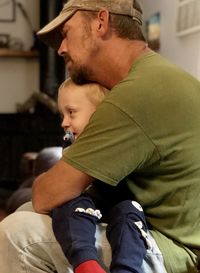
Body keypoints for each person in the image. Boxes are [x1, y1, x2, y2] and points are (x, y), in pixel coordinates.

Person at [0, 0, 200, 272]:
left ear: (100, 23)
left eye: (67, 33)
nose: (61, 48)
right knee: (28, 214)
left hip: (173, 249)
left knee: (18, 233)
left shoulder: (135, 94)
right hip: (156, 230)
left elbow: (47, 195)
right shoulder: (159, 76)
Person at [52, 78, 149, 273]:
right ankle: (86, 264)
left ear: (102, 113)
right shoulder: (71, 142)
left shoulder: (121, 139)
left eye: (71, 112)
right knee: (67, 203)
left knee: (130, 211)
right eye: (62, 114)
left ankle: (127, 268)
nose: (64, 122)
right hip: (85, 204)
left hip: (118, 205)